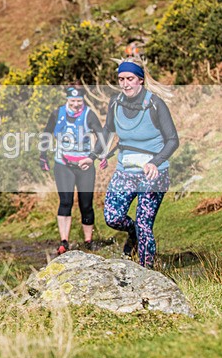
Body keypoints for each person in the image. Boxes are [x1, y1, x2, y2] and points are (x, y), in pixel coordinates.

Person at [102, 56, 178, 269]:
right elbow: (108, 130)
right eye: (121, 79)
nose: (125, 84)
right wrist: (96, 154)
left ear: (140, 80)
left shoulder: (155, 104)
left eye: (130, 78)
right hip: (125, 171)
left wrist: (155, 162)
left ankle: (147, 272)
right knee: (112, 217)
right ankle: (132, 232)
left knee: (145, 225)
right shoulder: (115, 103)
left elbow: (173, 140)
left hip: (153, 174)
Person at [40, 86, 105, 255]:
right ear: (67, 99)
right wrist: (43, 156)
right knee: (66, 201)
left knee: (86, 204)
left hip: (85, 165)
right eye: (72, 101)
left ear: (83, 100)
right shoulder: (58, 114)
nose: (76, 104)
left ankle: (88, 241)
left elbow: (102, 137)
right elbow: (46, 134)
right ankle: (64, 242)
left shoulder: (89, 114)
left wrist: (94, 156)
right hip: (63, 164)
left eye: (79, 101)